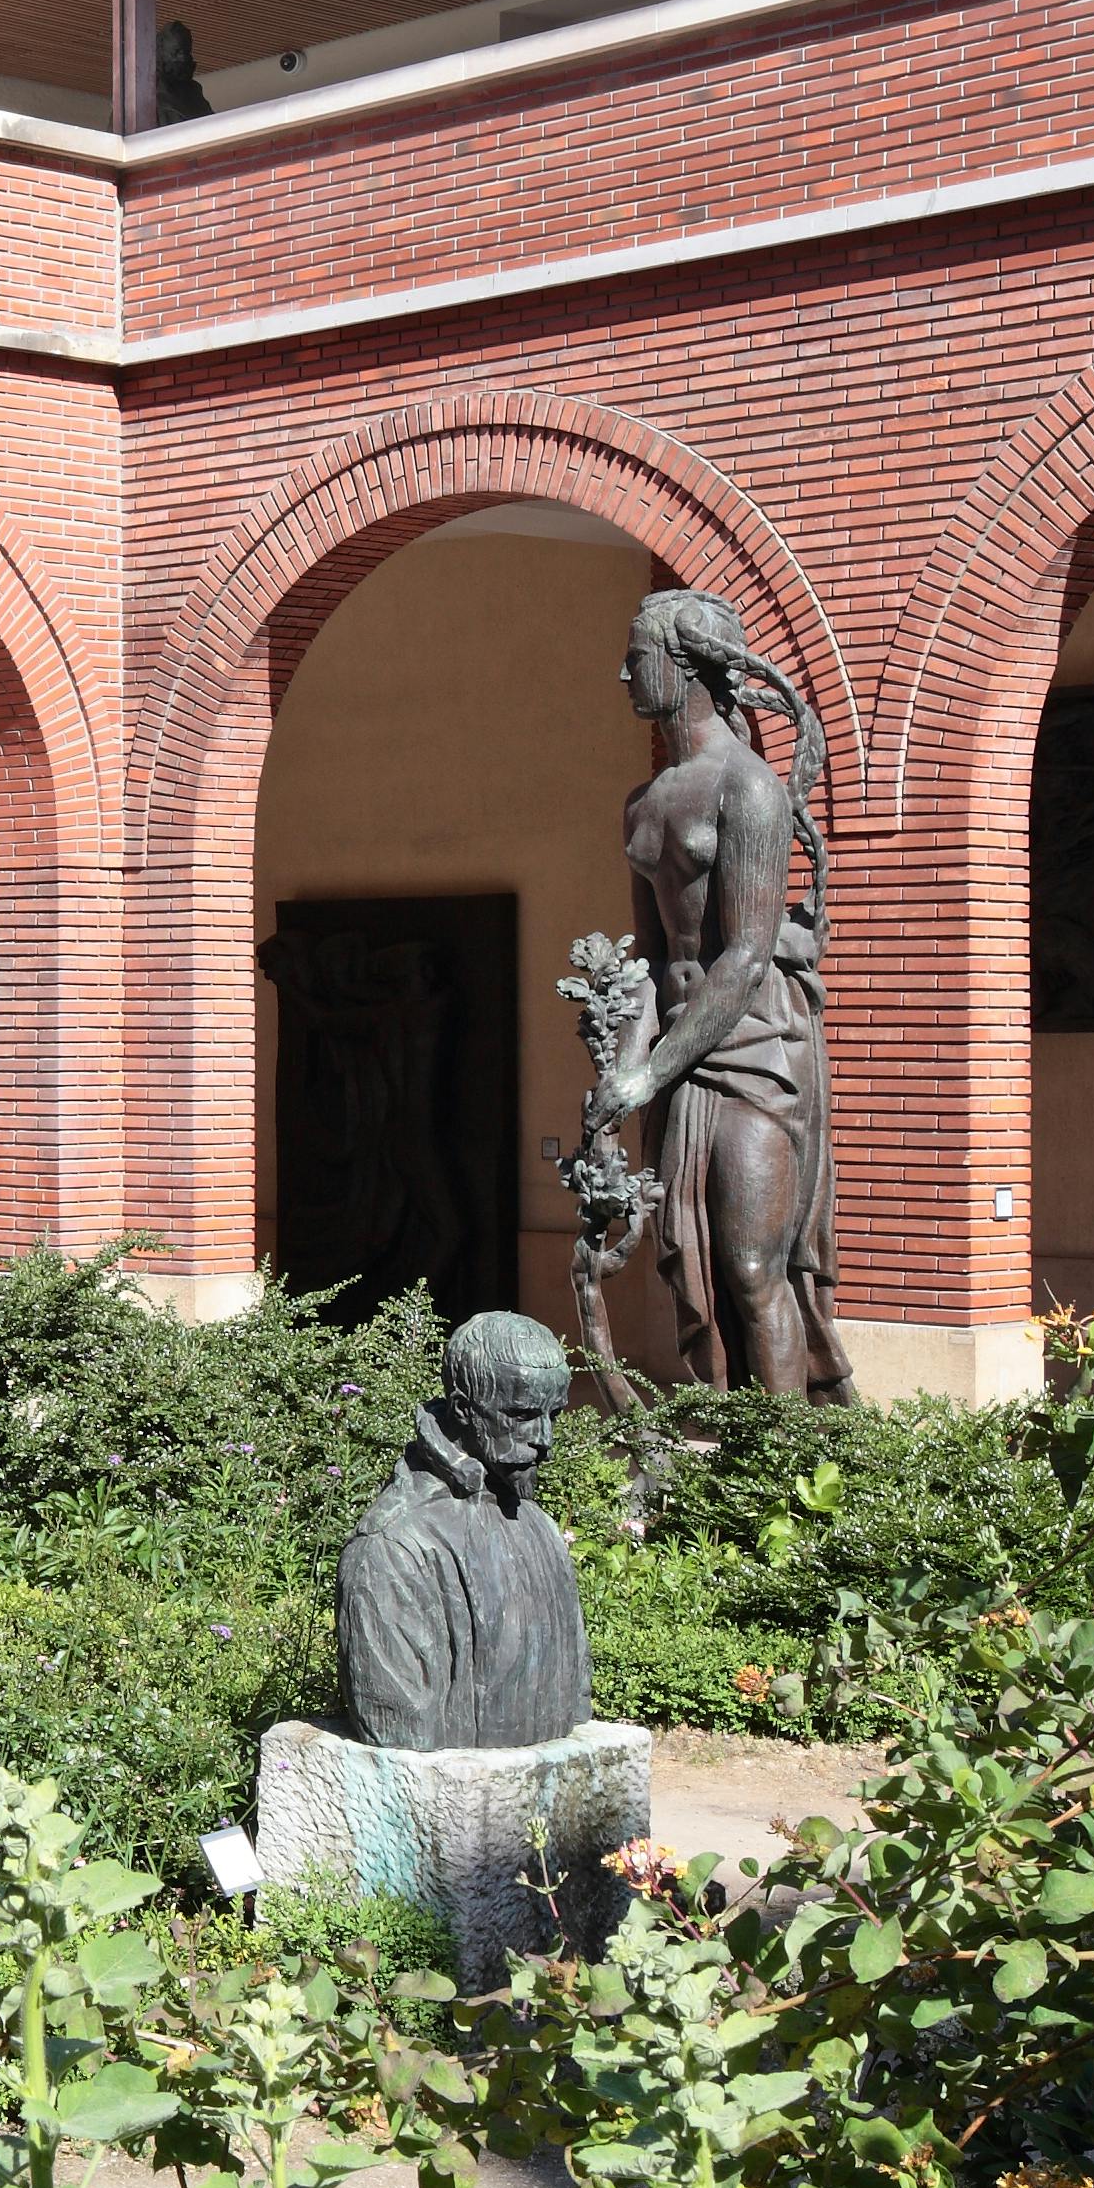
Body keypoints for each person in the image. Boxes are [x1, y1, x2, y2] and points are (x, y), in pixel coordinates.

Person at [587, 589, 852, 1400]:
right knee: (691, 1264)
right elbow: (651, 962)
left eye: (638, 656)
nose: (623, 671)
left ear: (685, 663)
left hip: (758, 1044)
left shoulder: (751, 791)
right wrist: (618, 1078)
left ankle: (789, 1468)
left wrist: (647, 1074)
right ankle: (735, 1451)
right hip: (680, 1046)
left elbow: (742, 957)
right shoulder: (644, 802)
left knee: (748, 1262)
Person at [333, 1311, 589, 1752]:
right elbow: (401, 1726)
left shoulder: (538, 1526)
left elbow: (577, 1695)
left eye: (554, 1415)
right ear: (463, 1410)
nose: (544, 1439)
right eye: (523, 1415)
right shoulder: (393, 1549)